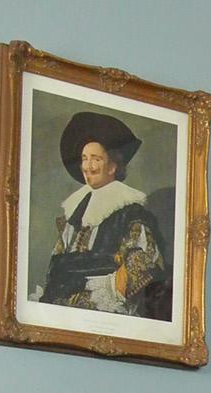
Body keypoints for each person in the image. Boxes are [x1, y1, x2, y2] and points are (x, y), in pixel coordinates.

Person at [37, 111, 169, 319]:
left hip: (104, 310)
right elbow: (58, 258)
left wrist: (109, 288)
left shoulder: (130, 211)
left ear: (113, 165)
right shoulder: (76, 210)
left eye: (96, 159)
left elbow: (146, 261)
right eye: (84, 159)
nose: (88, 166)